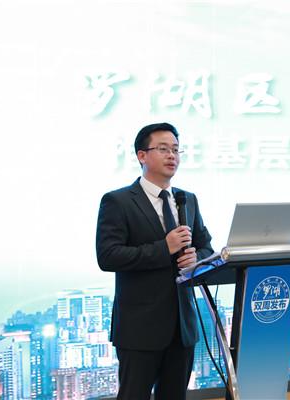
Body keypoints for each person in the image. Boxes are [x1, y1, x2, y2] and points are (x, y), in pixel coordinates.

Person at [95, 122, 214, 400]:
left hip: (182, 328)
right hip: (139, 329)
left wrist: (197, 258)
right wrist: (164, 248)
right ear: (142, 155)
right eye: (163, 149)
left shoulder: (187, 200)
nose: (172, 155)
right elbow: (108, 256)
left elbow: (206, 247)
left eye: (176, 150)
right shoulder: (118, 201)